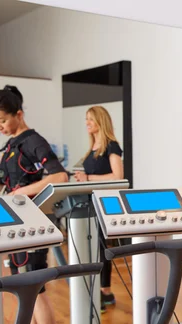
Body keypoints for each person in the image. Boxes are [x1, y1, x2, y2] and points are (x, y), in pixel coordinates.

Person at [0, 85, 69, 324]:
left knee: (36, 289)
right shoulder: (10, 146)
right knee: (21, 289)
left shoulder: (34, 141)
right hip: (14, 227)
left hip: (33, 225)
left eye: (2, 120)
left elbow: (59, 177)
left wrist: (21, 192)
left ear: (18, 114)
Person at [74, 106, 123, 311]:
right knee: (91, 248)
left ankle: (105, 292)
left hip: (103, 204)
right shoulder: (92, 148)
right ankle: (95, 290)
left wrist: (89, 178)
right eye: (86, 119)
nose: (87, 123)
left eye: (91, 119)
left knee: (102, 249)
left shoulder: (111, 146)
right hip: (88, 203)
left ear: (100, 122)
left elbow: (118, 176)